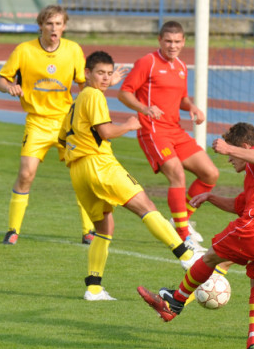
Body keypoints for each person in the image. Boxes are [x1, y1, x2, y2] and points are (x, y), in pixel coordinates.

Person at [138, 122, 254, 349]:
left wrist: (228, 149)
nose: (230, 160)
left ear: (243, 147)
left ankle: (174, 304)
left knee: (211, 256)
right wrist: (210, 197)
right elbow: (239, 205)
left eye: (233, 153)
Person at [59, 51, 203, 301]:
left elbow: (61, 138)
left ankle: (93, 288)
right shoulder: (93, 96)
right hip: (100, 165)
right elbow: (105, 131)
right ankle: (187, 257)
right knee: (145, 206)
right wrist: (128, 126)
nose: (104, 79)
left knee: (105, 226)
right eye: (99, 74)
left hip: (78, 171)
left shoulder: (79, 99)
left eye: (107, 74)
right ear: (86, 74)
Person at [0, 5, 125, 245]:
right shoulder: (24, 50)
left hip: (68, 122)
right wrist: (9, 86)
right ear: (41, 26)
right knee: (26, 174)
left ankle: (89, 230)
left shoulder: (73, 50)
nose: (54, 29)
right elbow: (1, 79)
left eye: (58, 24)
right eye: (49, 24)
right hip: (37, 122)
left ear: (64, 26)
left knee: (82, 175)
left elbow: (84, 86)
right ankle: (13, 229)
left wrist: (107, 82)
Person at [118, 21, 219, 250]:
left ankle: (180, 218)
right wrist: (145, 109)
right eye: (168, 41)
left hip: (175, 130)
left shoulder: (182, 66)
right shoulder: (148, 62)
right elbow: (124, 93)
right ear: (160, 41)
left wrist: (192, 107)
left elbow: (181, 98)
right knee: (177, 174)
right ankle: (184, 236)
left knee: (210, 174)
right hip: (153, 130)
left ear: (183, 42)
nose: (172, 46)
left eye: (177, 42)